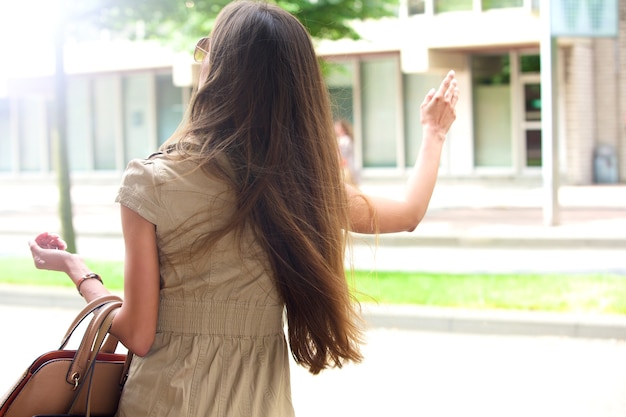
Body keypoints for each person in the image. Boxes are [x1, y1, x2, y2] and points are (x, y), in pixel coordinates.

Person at [28, 1, 459, 416]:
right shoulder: (299, 188)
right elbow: (408, 213)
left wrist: (78, 271)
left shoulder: (151, 181)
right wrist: (433, 134)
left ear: (217, 72)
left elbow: (137, 333)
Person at [334, 119, 359, 185]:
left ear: (342, 128)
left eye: (337, 126)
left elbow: (343, 156)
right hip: (347, 168)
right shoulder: (344, 139)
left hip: (347, 169)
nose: (335, 128)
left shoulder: (345, 140)